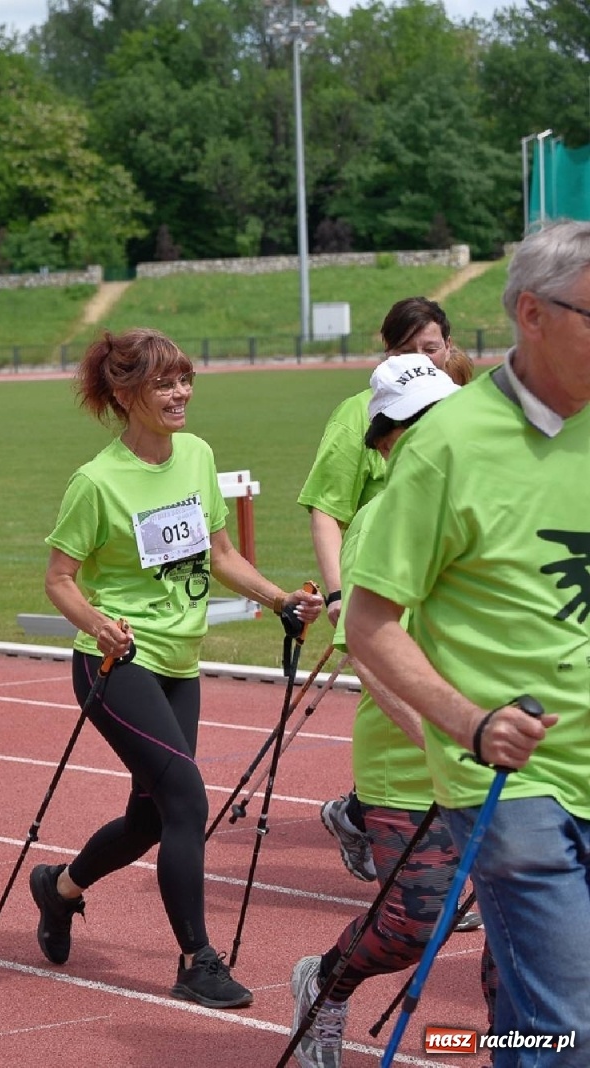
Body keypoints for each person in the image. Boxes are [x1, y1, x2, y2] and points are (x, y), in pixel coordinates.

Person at [346, 222, 590, 1068]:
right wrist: (469, 722)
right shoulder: (448, 446)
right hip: (516, 783)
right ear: (533, 312)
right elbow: (367, 621)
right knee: (569, 1027)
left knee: (538, 1017)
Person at [29, 328, 322, 1010]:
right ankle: (197, 960)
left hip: (180, 661)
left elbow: (219, 553)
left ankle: (61, 887)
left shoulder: (195, 455)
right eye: (164, 383)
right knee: (187, 799)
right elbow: (60, 579)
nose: (181, 392)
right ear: (126, 394)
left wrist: (281, 600)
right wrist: (97, 623)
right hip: (116, 663)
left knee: (153, 819)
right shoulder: (96, 482)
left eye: (185, 378)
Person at [286, 355, 496, 1068]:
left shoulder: (490, 500)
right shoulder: (382, 515)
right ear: (387, 437)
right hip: (411, 764)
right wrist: (445, 743)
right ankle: (325, 985)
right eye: (419, 422)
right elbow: (371, 655)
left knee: (521, 931)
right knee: (413, 925)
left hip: (511, 758)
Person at [296, 297, 474, 885]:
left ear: (449, 346)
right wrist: (343, 595)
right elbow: (328, 509)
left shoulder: (469, 400)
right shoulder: (359, 416)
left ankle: (358, 811)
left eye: (432, 347)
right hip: (383, 570)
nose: (424, 357)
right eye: (408, 350)